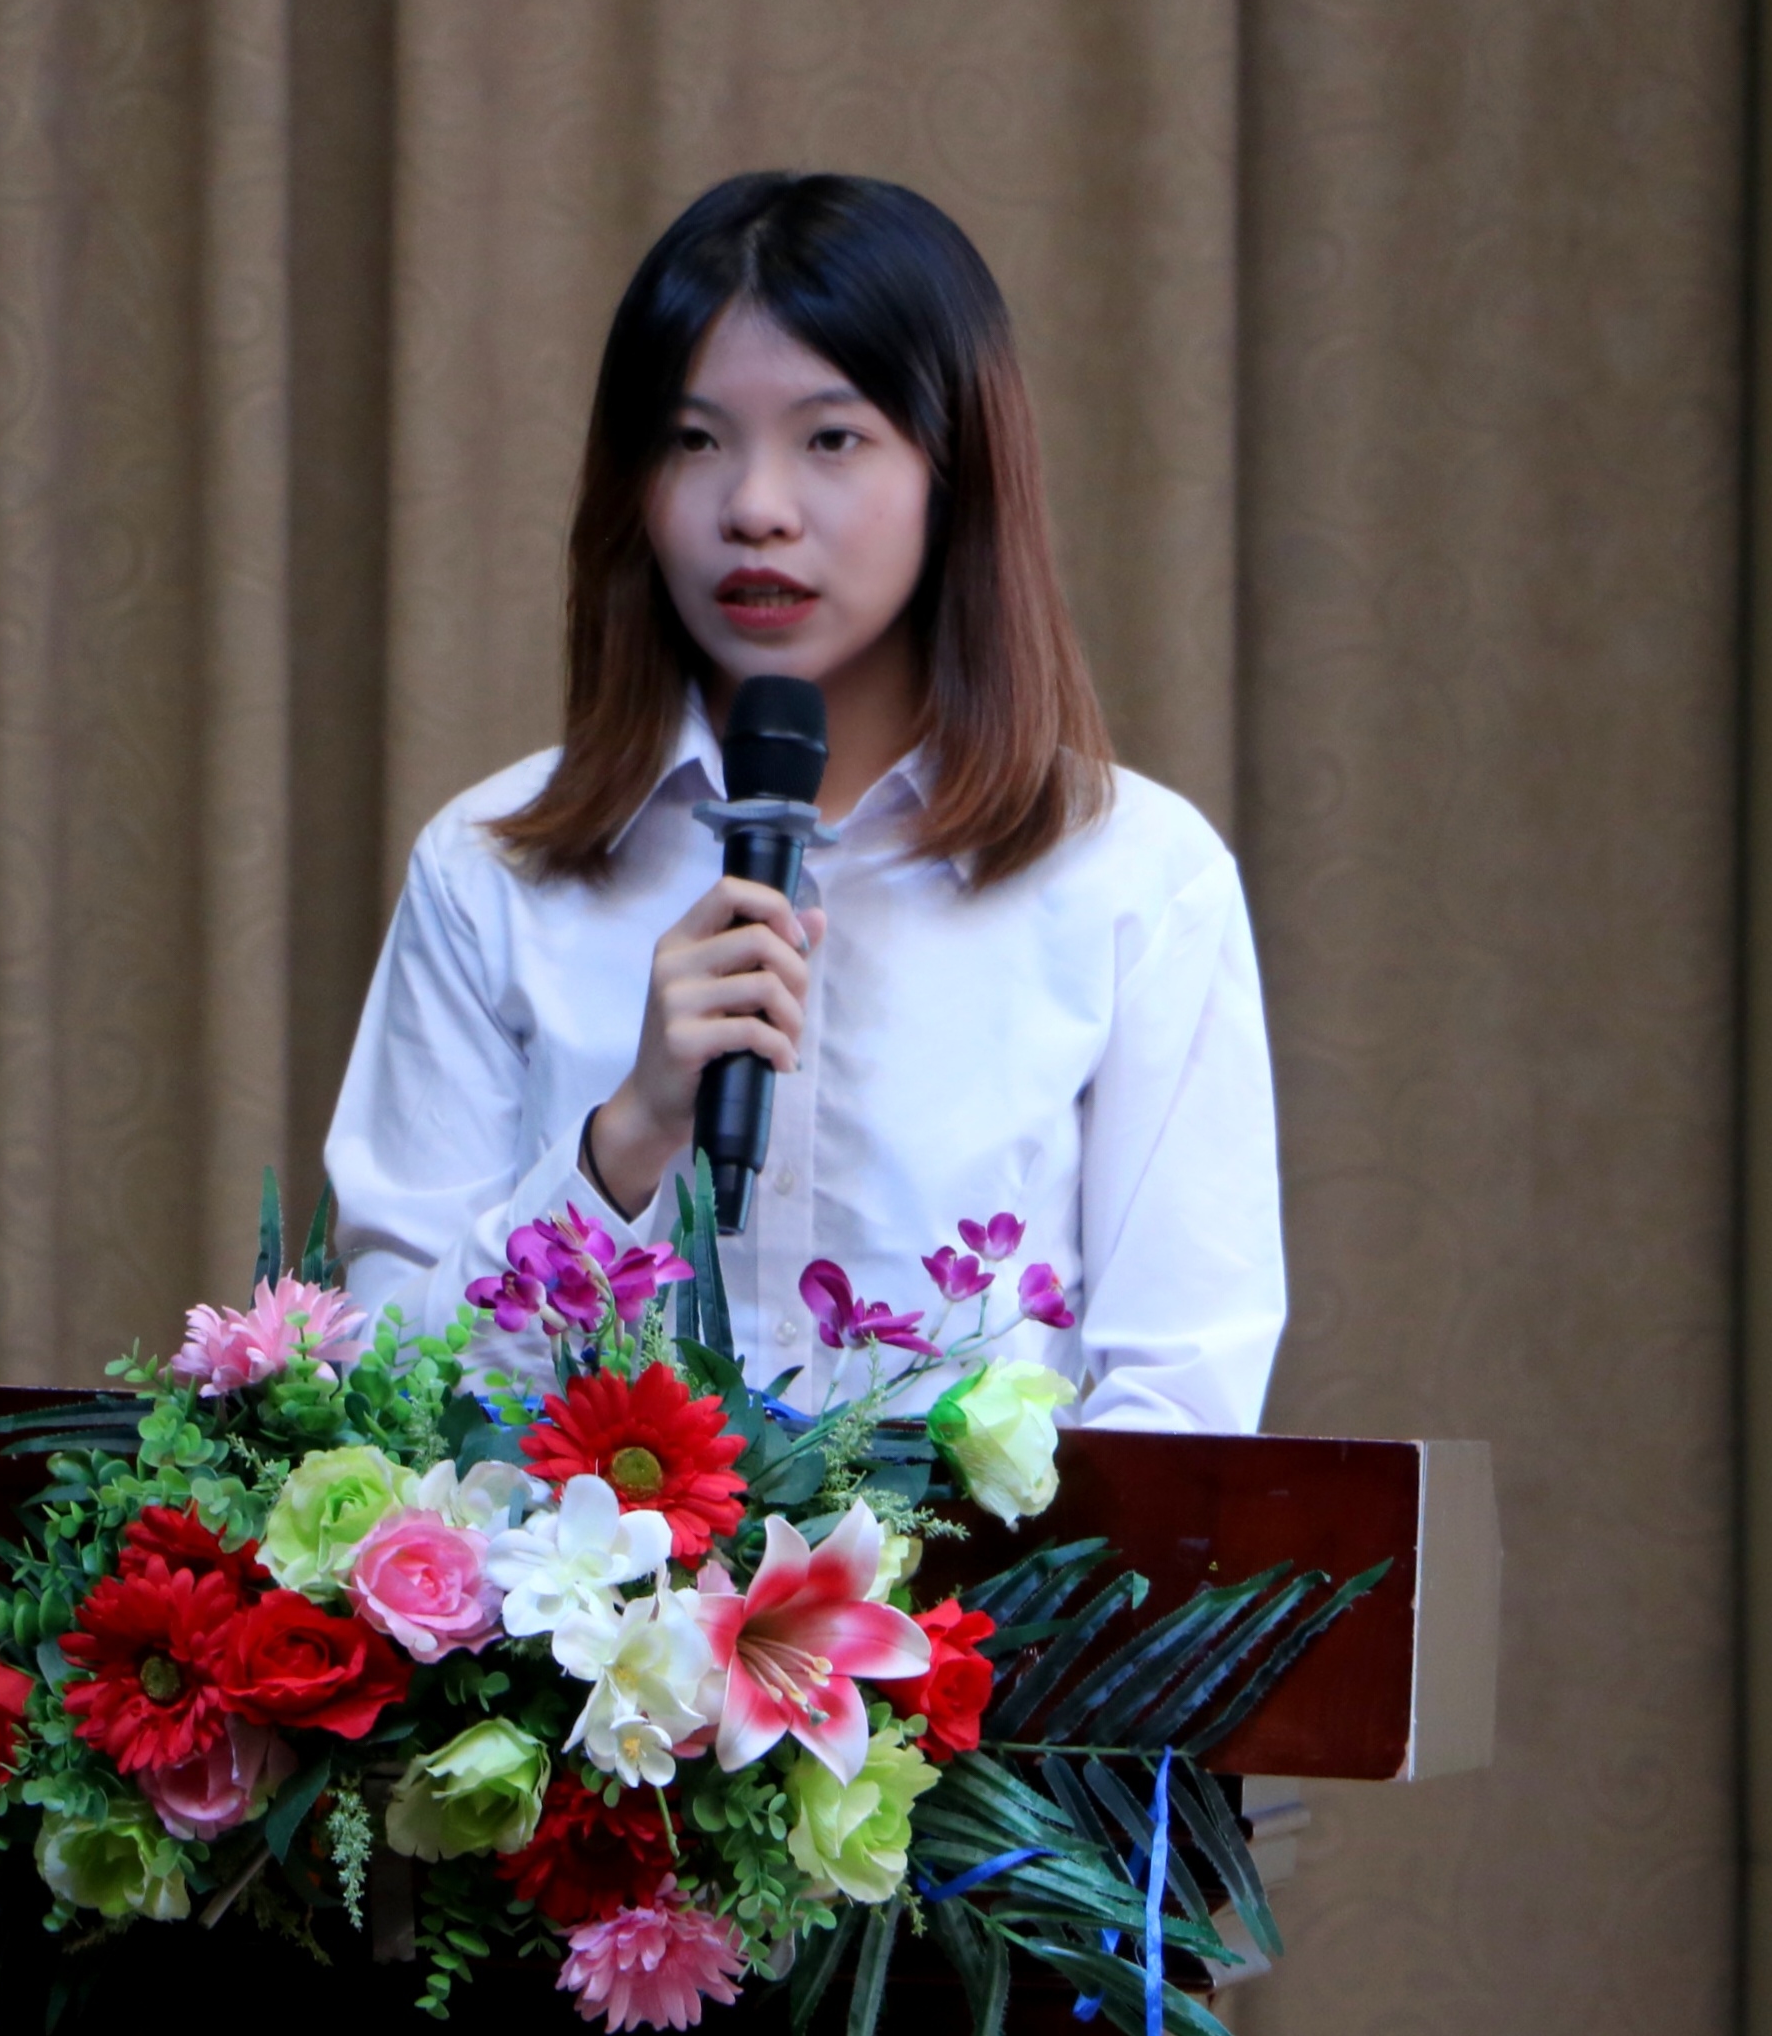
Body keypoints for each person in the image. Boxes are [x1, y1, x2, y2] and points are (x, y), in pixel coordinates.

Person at [324, 172, 1280, 1434]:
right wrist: (626, 1136)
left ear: (954, 472)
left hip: (1006, 1577)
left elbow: (1182, 1400)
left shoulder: (1132, 877)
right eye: (693, 441)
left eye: (829, 439)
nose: (754, 508)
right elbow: (381, 1394)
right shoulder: (489, 869)